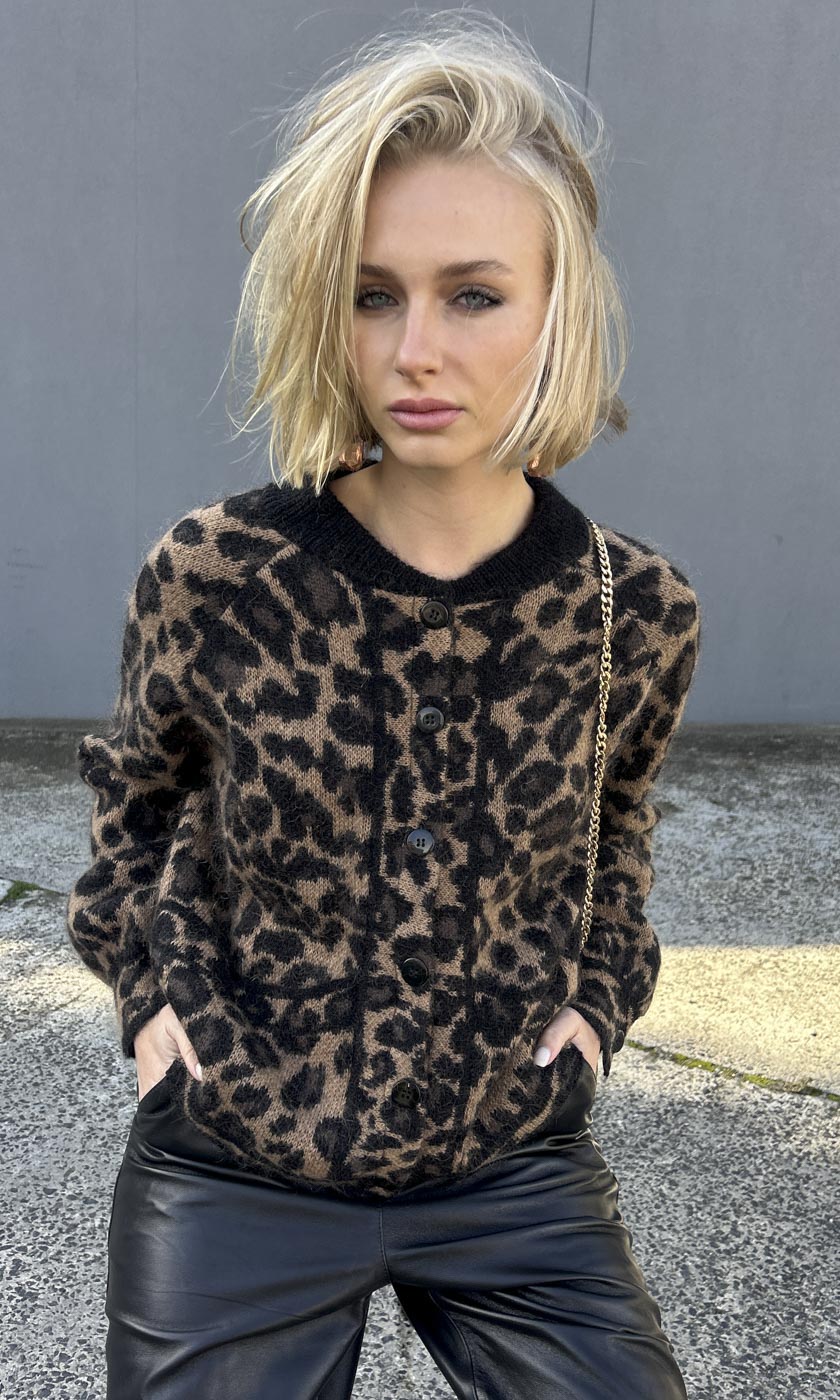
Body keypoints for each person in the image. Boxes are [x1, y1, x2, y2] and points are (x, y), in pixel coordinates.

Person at [67, 13, 701, 1398]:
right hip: (236, 1158)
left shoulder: (633, 610)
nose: (417, 349)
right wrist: (149, 1003)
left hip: (507, 1160)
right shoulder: (216, 574)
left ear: (555, 307)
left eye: (474, 295)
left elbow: (617, 827)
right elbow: (134, 802)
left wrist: (597, 1004)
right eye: (372, 295)